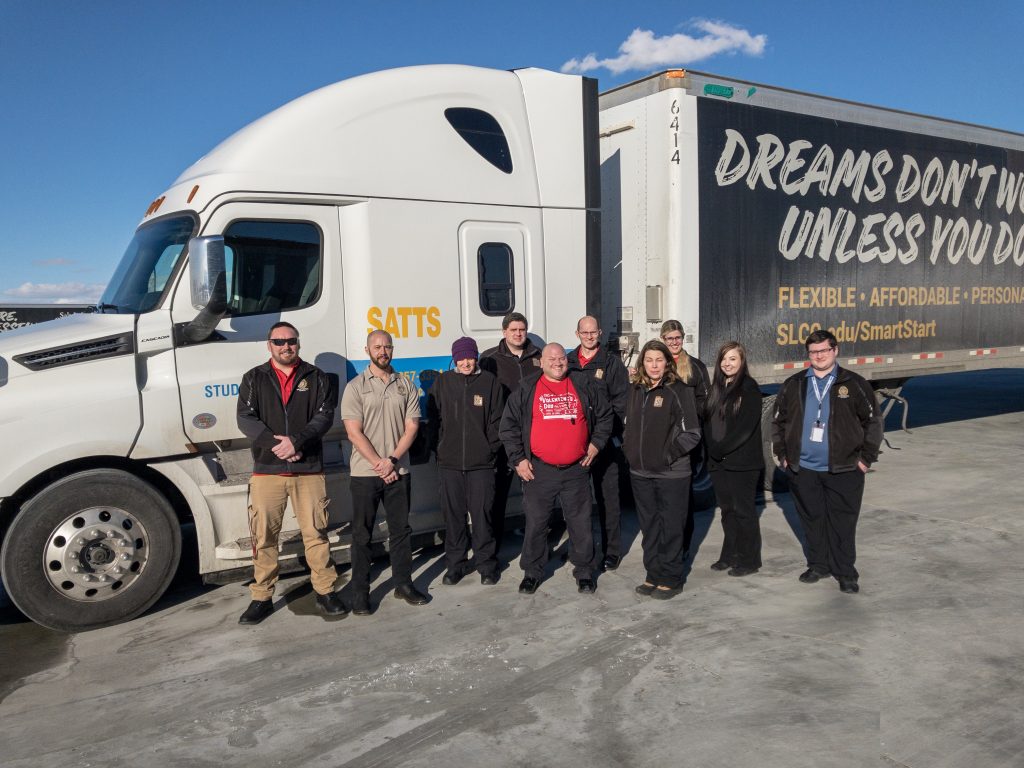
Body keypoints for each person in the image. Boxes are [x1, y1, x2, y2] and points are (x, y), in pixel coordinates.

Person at [236, 322, 345, 624]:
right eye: (279, 341)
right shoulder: (254, 378)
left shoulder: (317, 377)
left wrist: (296, 443)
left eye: (291, 341)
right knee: (264, 536)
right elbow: (245, 418)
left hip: (307, 468)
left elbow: (324, 417)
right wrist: (278, 446)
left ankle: (325, 591)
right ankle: (261, 597)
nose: (286, 346)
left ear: (298, 343)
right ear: (269, 345)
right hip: (267, 471)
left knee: (316, 534)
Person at [771, 329, 883, 593]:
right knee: (812, 519)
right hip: (804, 469)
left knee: (843, 522)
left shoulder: (853, 383)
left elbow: (874, 422)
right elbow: (778, 421)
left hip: (844, 469)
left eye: (823, 351)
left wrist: (865, 459)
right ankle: (819, 565)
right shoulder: (795, 383)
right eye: (813, 352)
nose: (819, 356)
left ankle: (845, 572)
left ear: (835, 351)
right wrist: (784, 456)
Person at [499, 343, 613, 595]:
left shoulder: (583, 383)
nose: (558, 362)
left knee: (580, 523)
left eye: (561, 358)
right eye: (552, 358)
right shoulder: (528, 388)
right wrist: (518, 459)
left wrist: (596, 444)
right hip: (540, 470)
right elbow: (508, 427)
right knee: (537, 523)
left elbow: (605, 416)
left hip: (576, 469)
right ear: (542, 361)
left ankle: (584, 571)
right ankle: (532, 571)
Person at [341, 330, 429, 614]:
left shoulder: (406, 385)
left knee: (401, 531)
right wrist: (380, 463)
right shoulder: (355, 387)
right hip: (365, 474)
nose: (383, 351)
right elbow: (353, 432)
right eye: (377, 347)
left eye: (387, 346)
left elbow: (412, 427)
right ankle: (360, 593)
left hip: (398, 470)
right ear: (367, 350)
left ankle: (403, 584)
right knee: (362, 535)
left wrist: (392, 460)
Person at [623, 340, 702, 599]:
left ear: (667, 362)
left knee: (671, 526)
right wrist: (630, 450)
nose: (654, 365)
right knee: (650, 527)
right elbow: (629, 425)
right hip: (641, 473)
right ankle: (653, 574)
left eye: (659, 360)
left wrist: (667, 455)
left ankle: (671, 577)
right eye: (649, 360)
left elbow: (692, 433)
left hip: (672, 473)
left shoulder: (678, 390)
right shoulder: (636, 389)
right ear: (642, 363)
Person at [427, 336, 505, 585]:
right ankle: (455, 564)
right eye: (460, 357)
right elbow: (433, 418)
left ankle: (486, 565)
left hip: (481, 464)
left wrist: (489, 449)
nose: (465, 362)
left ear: (476, 356)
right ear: (454, 359)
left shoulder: (490, 383)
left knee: (482, 516)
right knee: (453, 517)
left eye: (469, 356)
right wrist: (438, 448)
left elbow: (498, 421)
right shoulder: (443, 382)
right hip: (449, 464)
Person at [567, 315, 629, 571]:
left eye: (594, 333)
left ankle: (611, 551)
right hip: (576, 446)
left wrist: (599, 439)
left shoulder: (613, 364)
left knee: (608, 501)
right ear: (577, 333)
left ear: (600, 333)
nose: (589, 337)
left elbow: (620, 405)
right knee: (576, 504)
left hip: (603, 446)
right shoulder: (567, 363)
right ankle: (579, 551)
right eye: (585, 332)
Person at [480, 312, 543, 549]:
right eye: (513, 330)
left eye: (522, 330)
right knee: (497, 496)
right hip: (503, 436)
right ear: (504, 331)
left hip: (534, 435)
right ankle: (492, 546)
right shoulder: (489, 359)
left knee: (536, 497)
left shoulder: (538, 356)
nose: (518, 334)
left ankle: (537, 544)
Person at [704, 341, 764, 577]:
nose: (727, 363)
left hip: (742, 463)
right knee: (727, 511)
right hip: (719, 463)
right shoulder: (717, 388)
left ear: (742, 362)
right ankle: (729, 555)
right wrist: (712, 449)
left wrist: (721, 449)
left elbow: (745, 429)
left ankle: (750, 560)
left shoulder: (749, 388)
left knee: (743, 511)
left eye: (733, 359)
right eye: (724, 359)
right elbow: (708, 422)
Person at [660, 320, 711, 557]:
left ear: (683, 338)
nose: (674, 342)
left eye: (677, 337)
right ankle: (666, 542)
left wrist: (689, 417)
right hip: (660, 438)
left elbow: (705, 400)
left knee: (684, 497)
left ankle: (684, 545)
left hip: (686, 440)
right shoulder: (657, 365)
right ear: (663, 339)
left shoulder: (696, 367)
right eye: (669, 338)